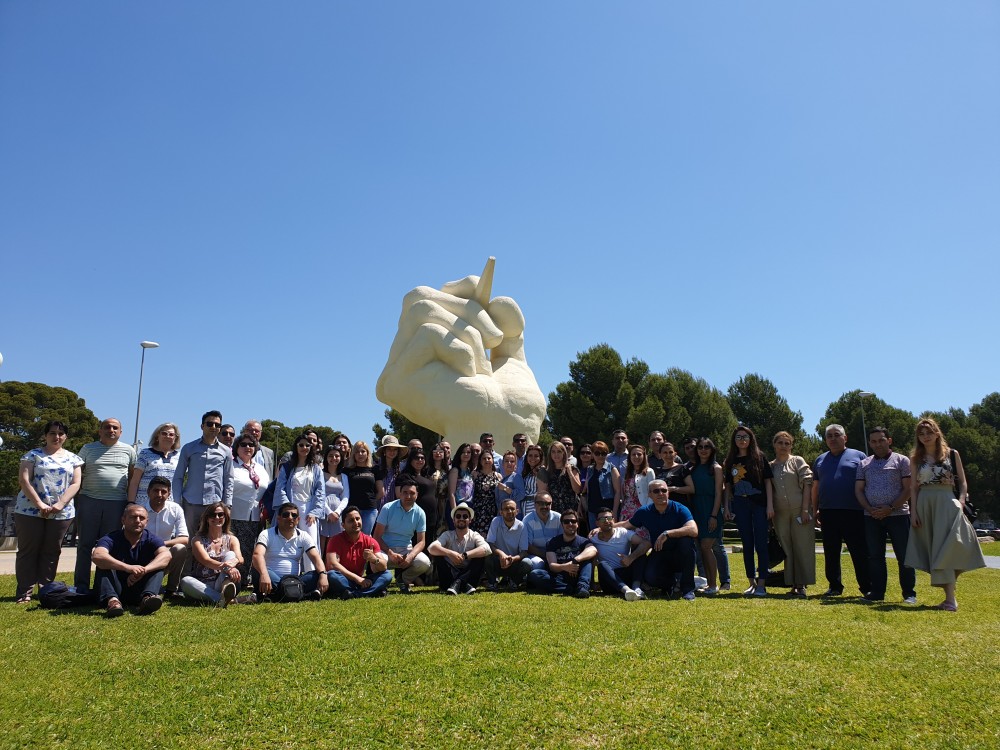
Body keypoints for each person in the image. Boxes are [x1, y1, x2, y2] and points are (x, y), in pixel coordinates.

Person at [904, 418, 985, 611]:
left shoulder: (952, 454)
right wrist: (913, 512)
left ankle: (950, 598)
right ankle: (950, 597)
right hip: (925, 504)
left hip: (949, 502)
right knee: (936, 549)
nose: (925, 437)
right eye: (921, 434)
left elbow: (963, 483)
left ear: (937, 433)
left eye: (929, 433)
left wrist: (962, 501)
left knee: (950, 547)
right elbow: (913, 488)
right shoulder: (916, 458)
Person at [14, 420, 83, 604]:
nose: (56, 437)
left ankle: (46, 590)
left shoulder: (74, 459)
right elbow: (24, 480)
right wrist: (39, 504)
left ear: (66, 437)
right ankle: (24, 592)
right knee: (28, 551)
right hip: (29, 510)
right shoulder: (32, 455)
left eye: (61, 433)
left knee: (52, 551)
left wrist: (60, 504)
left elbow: (76, 483)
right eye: (52, 433)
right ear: (45, 435)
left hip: (61, 512)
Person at [75, 417, 137, 594]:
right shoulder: (88, 448)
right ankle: (81, 586)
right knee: (85, 545)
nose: (111, 430)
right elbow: (77, 473)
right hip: (89, 500)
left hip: (116, 503)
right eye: (107, 427)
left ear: (120, 431)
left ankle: (104, 587)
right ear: (99, 431)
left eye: (115, 428)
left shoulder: (129, 450)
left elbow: (132, 477)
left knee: (109, 547)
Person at [854, 427, 915, 604]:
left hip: (898, 515)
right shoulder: (864, 464)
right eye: (873, 441)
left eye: (881, 440)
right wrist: (869, 508)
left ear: (889, 440)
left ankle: (909, 593)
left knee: (904, 556)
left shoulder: (902, 461)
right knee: (875, 556)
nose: (877, 444)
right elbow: (858, 490)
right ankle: (877, 592)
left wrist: (890, 507)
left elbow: (908, 488)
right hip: (871, 516)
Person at [812, 424, 870, 598]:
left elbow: (868, 482)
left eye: (837, 435)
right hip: (828, 511)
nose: (833, 438)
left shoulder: (859, 456)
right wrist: (815, 510)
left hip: (854, 511)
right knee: (831, 551)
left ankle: (867, 586)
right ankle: (834, 586)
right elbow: (816, 487)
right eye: (829, 436)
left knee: (859, 551)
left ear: (845, 438)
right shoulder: (820, 459)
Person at [616, 479, 698, 600]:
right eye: (656, 491)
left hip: (680, 553)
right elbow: (627, 524)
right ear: (649, 494)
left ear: (668, 493)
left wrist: (668, 533)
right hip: (660, 552)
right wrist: (603, 527)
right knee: (650, 577)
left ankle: (687, 590)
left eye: (664, 490)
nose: (660, 493)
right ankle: (670, 584)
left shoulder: (680, 509)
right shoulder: (645, 512)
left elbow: (693, 530)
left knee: (687, 542)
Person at [92, 503, 170, 617]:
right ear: (123, 520)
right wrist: (128, 568)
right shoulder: (111, 538)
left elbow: (166, 556)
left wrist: (144, 570)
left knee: (158, 567)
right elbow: (98, 555)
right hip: (116, 587)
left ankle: (147, 600)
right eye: (133, 517)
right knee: (103, 565)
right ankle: (113, 602)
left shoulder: (152, 538)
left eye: (142, 518)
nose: (138, 520)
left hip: (140, 588)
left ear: (146, 522)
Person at [723, 426, 774, 597]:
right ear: (734, 440)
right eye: (738, 437)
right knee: (747, 544)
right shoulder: (730, 460)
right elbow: (728, 487)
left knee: (761, 544)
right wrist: (728, 508)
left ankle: (762, 584)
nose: (742, 439)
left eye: (745, 436)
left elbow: (768, 482)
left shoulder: (759, 457)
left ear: (751, 439)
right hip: (740, 505)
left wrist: (770, 506)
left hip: (759, 504)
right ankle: (751, 582)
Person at [172, 410, 234, 542]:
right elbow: (178, 477)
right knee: (188, 540)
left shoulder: (226, 451)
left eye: (217, 425)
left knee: (213, 541)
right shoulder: (188, 448)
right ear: (202, 426)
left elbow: (229, 479)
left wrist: (227, 505)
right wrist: (177, 503)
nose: (214, 427)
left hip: (215, 505)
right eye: (210, 424)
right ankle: (188, 564)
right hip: (191, 504)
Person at [252, 502, 329, 600]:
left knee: (320, 574)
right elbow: (257, 555)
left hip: (295, 580)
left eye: (294, 515)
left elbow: (316, 558)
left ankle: (276, 595)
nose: (290, 518)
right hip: (271, 578)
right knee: (257, 570)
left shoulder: (304, 536)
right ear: (278, 518)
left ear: (298, 520)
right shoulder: (266, 534)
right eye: (285, 515)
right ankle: (298, 594)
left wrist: (323, 575)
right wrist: (264, 574)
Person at [770, 431, 815, 597]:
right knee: (787, 548)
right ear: (774, 444)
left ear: (791, 446)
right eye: (780, 443)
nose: (783, 446)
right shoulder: (771, 466)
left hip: (800, 511)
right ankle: (792, 584)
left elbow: (807, 484)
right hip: (780, 514)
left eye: (787, 443)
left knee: (802, 547)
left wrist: (805, 510)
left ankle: (802, 585)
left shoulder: (797, 461)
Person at [274, 433, 325, 572]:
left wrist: (315, 511)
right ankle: (290, 576)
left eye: (307, 445)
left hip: (309, 509)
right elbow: (280, 488)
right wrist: (287, 510)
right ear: (296, 447)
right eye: (301, 445)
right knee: (290, 542)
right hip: (291, 508)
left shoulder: (316, 469)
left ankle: (312, 575)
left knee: (310, 542)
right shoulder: (287, 467)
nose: (304, 448)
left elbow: (320, 491)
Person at [180, 503, 246, 607]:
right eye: (212, 515)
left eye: (220, 515)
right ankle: (224, 599)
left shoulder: (232, 539)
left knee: (231, 554)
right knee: (185, 581)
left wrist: (234, 562)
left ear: (225, 517)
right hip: (202, 585)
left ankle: (224, 591)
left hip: (223, 581)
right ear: (206, 519)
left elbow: (240, 558)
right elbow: (206, 560)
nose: (217, 517)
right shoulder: (197, 540)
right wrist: (227, 567)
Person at [373, 476, 432, 593]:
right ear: (399, 493)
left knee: (425, 563)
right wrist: (391, 553)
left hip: (406, 550)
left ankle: (403, 579)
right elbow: (377, 536)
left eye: (412, 493)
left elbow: (421, 541)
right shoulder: (387, 508)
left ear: (417, 495)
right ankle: (382, 582)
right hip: (386, 550)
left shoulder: (420, 513)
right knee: (376, 562)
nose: (408, 496)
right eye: (405, 492)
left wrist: (410, 556)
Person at [325, 506, 393, 599]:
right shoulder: (335, 540)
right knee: (332, 575)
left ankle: (355, 594)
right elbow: (332, 565)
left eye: (357, 519)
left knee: (387, 575)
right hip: (344, 579)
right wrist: (358, 579)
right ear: (343, 525)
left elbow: (383, 566)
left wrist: (373, 559)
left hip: (360, 581)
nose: (356, 523)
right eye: (351, 521)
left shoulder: (370, 541)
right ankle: (370, 592)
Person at [526, 510, 598, 598]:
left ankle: (582, 587)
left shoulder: (584, 541)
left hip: (577, 574)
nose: (570, 524)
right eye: (566, 521)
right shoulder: (552, 542)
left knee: (587, 561)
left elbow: (593, 550)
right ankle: (570, 589)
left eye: (573, 521)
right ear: (562, 524)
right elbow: (552, 566)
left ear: (577, 524)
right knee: (535, 574)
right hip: (560, 577)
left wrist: (575, 560)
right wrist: (566, 567)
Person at [427, 503, 491, 595]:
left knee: (480, 556)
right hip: (449, 578)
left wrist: (465, 555)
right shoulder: (447, 535)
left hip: (470, 577)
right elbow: (431, 548)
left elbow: (487, 549)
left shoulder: (474, 535)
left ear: (470, 520)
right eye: (458, 516)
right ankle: (463, 584)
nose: (461, 518)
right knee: (438, 554)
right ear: (453, 520)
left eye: (465, 516)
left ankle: (458, 583)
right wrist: (450, 553)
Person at [589, 506, 651, 600]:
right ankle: (627, 591)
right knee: (602, 564)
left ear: (613, 520)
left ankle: (636, 588)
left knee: (639, 554)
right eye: (602, 519)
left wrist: (630, 558)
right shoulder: (593, 538)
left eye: (609, 518)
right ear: (597, 523)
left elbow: (646, 543)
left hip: (626, 573)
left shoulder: (623, 532)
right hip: (609, 580)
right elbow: (592, 561)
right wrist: (593, 583)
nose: (606, 521)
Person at [230, 434, 269, 582]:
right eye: (243, 444)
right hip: (235, 514)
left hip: (256, 516)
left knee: (251, 548)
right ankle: (235, 578)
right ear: (237, 448)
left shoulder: (259, 468)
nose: (248, 447)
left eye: (251, 445)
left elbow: (266, 489)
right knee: (236, 549)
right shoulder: (231, 465)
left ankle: (247, 578)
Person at [688, 438, 725, 595]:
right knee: (702, 550)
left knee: (706, 547)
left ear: (712, 450)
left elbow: (719, 493)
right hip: (696, 511)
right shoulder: (693, 468)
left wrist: (714, 515)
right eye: (700, 447)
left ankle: (713, 585)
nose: (703, 450)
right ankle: (709, 583)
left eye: (707, 447)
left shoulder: (716, 468)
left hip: (711, 511)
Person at [143, 476, 190, 597]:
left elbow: (184, 538)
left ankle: (171, 589)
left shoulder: (175, 509)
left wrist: (161, 544)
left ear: (169, 494)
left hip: (165, 553)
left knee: (180, 548)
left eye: (163, 491)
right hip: (144, 555)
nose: (159, 494)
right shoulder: (140, 510)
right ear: (148, 492)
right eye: (156, 490)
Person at [127, 422, 181, 508]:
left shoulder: (179, 457)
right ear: (157, 436)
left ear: (175, 438)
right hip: (144, 503)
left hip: (169, 505)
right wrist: (130, 502)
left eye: (171, 434)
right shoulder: (145, 453)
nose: (167, 436)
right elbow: (135, 481)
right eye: (164, 433)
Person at [484, 498, 529, 591]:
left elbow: (524, 552)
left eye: (512, 509)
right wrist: (501, 554)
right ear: (501, 512)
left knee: (527, 563)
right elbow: (490, 544)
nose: (509, 511)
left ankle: (514, 583)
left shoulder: (522, 526)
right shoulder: (496, 521)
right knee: (486, 555)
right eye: (506, 509)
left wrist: (512, 559)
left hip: (513, 562)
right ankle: (492, 583)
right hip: (498, 561)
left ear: (517, 511)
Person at [519, 492, 563, 571]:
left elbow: (562, 541)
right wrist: (547, 555)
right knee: (536, 565)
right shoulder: (527, 520)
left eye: (548, 504)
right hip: (536, 555)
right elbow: (528, 546)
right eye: (541, 503)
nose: (544, 506)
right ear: (535, 505)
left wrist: (553, 556)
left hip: (556, 554)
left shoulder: (559, 518)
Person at [319, 445, 350, 551]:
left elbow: (345, 497)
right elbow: (319, 494)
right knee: (321, 541)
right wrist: (328, 512)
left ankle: (331, 566)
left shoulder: (344, 477)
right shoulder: (320, 474)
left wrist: (337, 512)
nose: (334, 458)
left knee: (334, 543)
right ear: (326, 458)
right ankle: (319, 566)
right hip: (323, 512)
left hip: (337, 515)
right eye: (330, 456)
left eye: (337, 456)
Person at [583, 441, 620, 528]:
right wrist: (584, 506)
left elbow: (618, 492)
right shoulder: (590, 469)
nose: (600, 456)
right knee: (594, 537)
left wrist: (614, 512)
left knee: (609, 537)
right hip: (592, 511)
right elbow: (585, 490)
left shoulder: (612, 469)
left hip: (607, 511)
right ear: (592, 454)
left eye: (603, 453)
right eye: (597, 453)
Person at [344, 441, 379, 534]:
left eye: (363, 451)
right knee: (352, 535)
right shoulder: (347, 471)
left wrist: (371, 501)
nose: (360, 454)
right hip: (352, 509)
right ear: (353, 454)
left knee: (365, 536)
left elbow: (380, 492)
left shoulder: (375, 469)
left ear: (367, 454)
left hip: (370, 509)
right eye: (357, 452)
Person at [541, 440, 582, 516]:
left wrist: (569, 472)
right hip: (554, 510)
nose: (556, 454)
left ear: (564, 453)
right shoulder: (547, 471)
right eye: (553, 452)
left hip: (571, 510)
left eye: (559, 451)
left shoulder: (572, 469)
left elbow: (578, 490)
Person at [619, 444, 655, 526]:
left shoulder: (649, 472)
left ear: (644, 456)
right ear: (630, 457)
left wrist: (648, 510)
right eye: (633, 454)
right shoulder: (627, 472)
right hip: (626, 508)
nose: (636, 457)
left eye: (639, 454)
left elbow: (652, 492)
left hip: (641, 508)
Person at [469, 451, 503, 536]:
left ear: (492, 460)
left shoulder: (498, 476)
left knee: (491, 535)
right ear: (480, 461)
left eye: (489, 458)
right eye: (484, 458)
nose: (486, 460)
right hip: (478, 509)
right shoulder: (475, 474)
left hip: (492, 509)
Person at [447, 443, 476, 522]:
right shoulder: (455, 470)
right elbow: (451, 493)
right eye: (463, 452)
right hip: (457, 505)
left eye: (468, 452)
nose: (466, 454)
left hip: (469, 506)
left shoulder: (470, 472)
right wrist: (455, 512)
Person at [375, 435, 404, 509]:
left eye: (395, 449)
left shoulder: (400, 469)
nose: (392, 452)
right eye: (389, 449)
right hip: (378, 506)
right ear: (384, 451)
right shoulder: (376, 468)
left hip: (394, 508)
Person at [519, 444, 547, 518]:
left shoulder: (541, 471)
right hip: (525, 508)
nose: (533, 458)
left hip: (535, 509)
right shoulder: (527, 472)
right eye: (530, 455)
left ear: (540, 458)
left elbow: (542, 494)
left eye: (536, 456)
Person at [497, 450, 526, 518]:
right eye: (506, 461)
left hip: (514, 515)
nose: (509, 463)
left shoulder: (516, 477)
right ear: (503, 464)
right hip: (503, 515)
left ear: (515, 465)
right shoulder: (503, 479)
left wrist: (506, 489)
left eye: (512, 461)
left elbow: (521, 495)